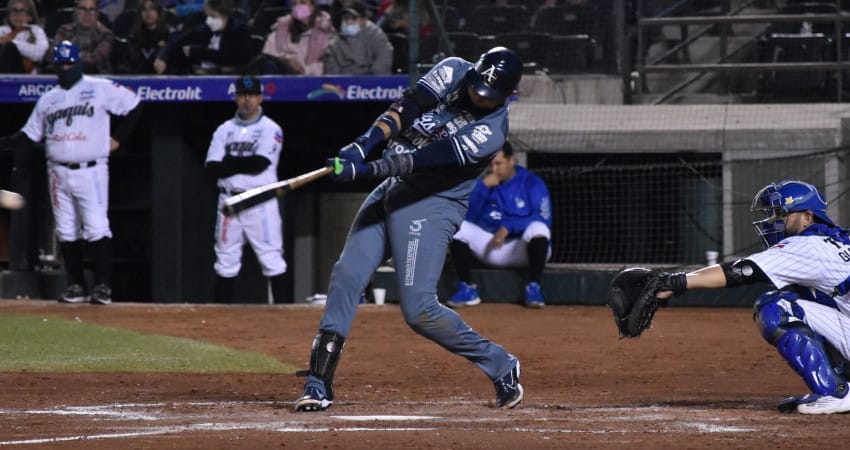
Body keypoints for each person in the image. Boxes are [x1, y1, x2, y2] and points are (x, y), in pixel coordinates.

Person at [293, 46, 525, 413]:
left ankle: (500, 364)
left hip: (431, 203)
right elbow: (407, 107)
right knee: (347, 274)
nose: (478, 96)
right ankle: (318, 382)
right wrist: (363, 144)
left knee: (419, 311)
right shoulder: (453, 70)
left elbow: (420, 161)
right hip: (394, 189)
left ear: (508, 94)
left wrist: (364, 171)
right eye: (477, 87)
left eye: (487, 95)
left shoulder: (491, 133)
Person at [653, 179, 850, 415]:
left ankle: (835, 393)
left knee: (776, 307)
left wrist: (676, 282)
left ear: (808, 217)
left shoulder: (807, 245)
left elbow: (742, 271)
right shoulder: (840, 240)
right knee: (799, 298)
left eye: (781, 214)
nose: (771, 221)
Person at [0, 41, 142, 305]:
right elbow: (27, 137)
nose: (65, 68)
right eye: (61, 65)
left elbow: (135, 105)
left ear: (78, 63)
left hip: (91, 169)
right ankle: (76, 285)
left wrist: (118, 138)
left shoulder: (99, 87)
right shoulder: (48, 99)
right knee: (66, 230)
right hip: (57, 172)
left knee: (96, 227)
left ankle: (103, 287)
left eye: (69, 64)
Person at [204, 75, 288, 303]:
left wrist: (228, 162)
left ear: (260, 98)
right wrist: (239, 164)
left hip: (259, 200)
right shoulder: (224, 129)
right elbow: (212, 168)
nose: (247, 100)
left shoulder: (270, 128)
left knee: (271, 259)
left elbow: (259, 164)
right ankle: (219, 320)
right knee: (225, 261)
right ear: (235, 97)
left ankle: (289, 317)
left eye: (251, 95)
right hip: (229, 202)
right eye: (242, 95)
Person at [446, 141, 552, 309]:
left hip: (522, 249)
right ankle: (467, 288)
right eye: (491, 164)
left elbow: (543, 218)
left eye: (498, 163)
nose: (494, 169)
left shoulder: (531, 182)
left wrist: (508, 226)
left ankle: (533, 287)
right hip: (493, 249)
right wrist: (482, 188)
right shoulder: (486, 184)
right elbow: (468, 217)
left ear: (511, 160)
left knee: (539, 229)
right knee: (457, 226)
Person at [153, 0, 252, 74]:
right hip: (200, 73)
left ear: (224, 15)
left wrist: (198, 52)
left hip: (229, 77)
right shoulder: (206, 28)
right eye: (207, 16)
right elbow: (177, 39)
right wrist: (162, 57)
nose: (209, 20)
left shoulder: (240, 31)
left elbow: (236, 59)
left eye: (213, 16)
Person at [257, 0, 334, 75]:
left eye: (303, 2)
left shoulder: (325, 31)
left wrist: (302, 69)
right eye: (294, 4)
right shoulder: (281, 28)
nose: (298, 7)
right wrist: (286, 61)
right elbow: (268, 54)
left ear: (313, 6)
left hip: (313, 81)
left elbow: (328, 64)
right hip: (284, 76)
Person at [321, 0, 392, 75]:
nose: (348, 22)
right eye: (345, 18)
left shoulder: (377, 36)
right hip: (345, 84)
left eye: (353, 18)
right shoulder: (333, 46)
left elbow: (384, 60)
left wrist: (369, 80)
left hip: (374, 84)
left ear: (364, 20)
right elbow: (333, 75)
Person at [46, 0, 114, 74]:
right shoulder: (64, 30)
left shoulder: (106, 34)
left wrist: (67, 54)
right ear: (76, 11)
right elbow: (52, 54)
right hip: (67, 76)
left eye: (91, 10)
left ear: (97, 13)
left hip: (97, 79)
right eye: (83, 9)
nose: (87, 14)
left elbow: (94, 59)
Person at [115, 0, 174, 74]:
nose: (148, 13)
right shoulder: (134, 37)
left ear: (159, 12)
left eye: (152, 9)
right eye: (144, 9)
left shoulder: (169, 36)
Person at [0, 0, 49, 73]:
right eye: (14, 11)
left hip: (25, 74)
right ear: (9, 16)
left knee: (9, 47)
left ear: (30, 17)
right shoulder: (2, 30)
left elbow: (38, 54)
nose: (17, 15)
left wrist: (12, 43)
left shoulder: (37, 30)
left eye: (22, 11)